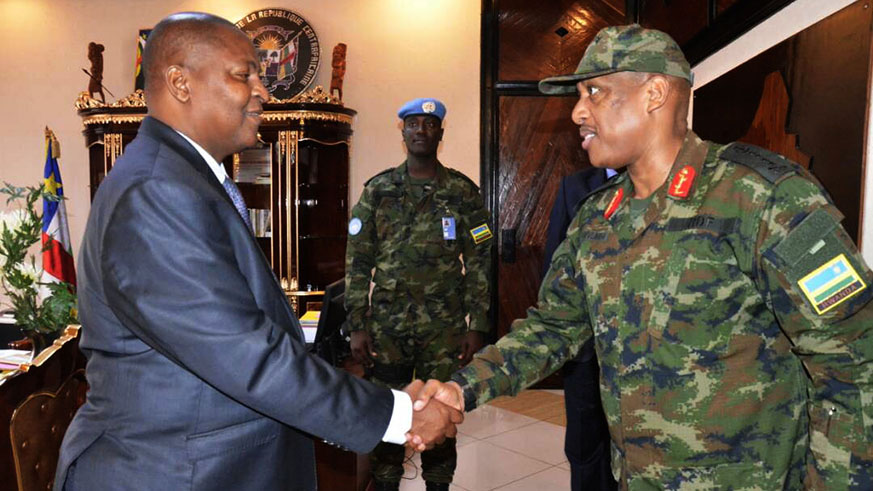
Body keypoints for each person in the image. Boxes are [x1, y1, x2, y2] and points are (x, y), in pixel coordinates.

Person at [411, 24, 873, 489]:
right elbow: (552, 328)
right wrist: (459, 390)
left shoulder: (763, 198)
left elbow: (854, 362)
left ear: (654, 93)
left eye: (595, 91)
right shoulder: (598, 216)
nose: (577, 112)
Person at [54, 13, 460, 491]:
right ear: (180, 83)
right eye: (243, 74)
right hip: (172, 471)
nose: (262, 91)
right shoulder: (155, 190)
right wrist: (396, 414)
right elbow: (244, 356)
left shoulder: (185, 178)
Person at [345, 98, 493, 491]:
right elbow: (358, 261)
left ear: (439, 134)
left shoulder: (462, 192)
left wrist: (477, 325)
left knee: (441, 408)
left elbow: (480, 260)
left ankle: (439, 485)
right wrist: (356, 324)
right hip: (388, 327)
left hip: (444, 327)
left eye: (429, 125)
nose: (421, 131)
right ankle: (387, 482)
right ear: (403, 132)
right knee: (388, 409)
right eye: (413, 124)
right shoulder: (378, 190)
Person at [542, 166, 617, 491]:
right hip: (586, 345)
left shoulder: (669, 178)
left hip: (650, 351)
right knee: (585, 444)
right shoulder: (575, 186)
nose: (582, 115)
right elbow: (554, 263)